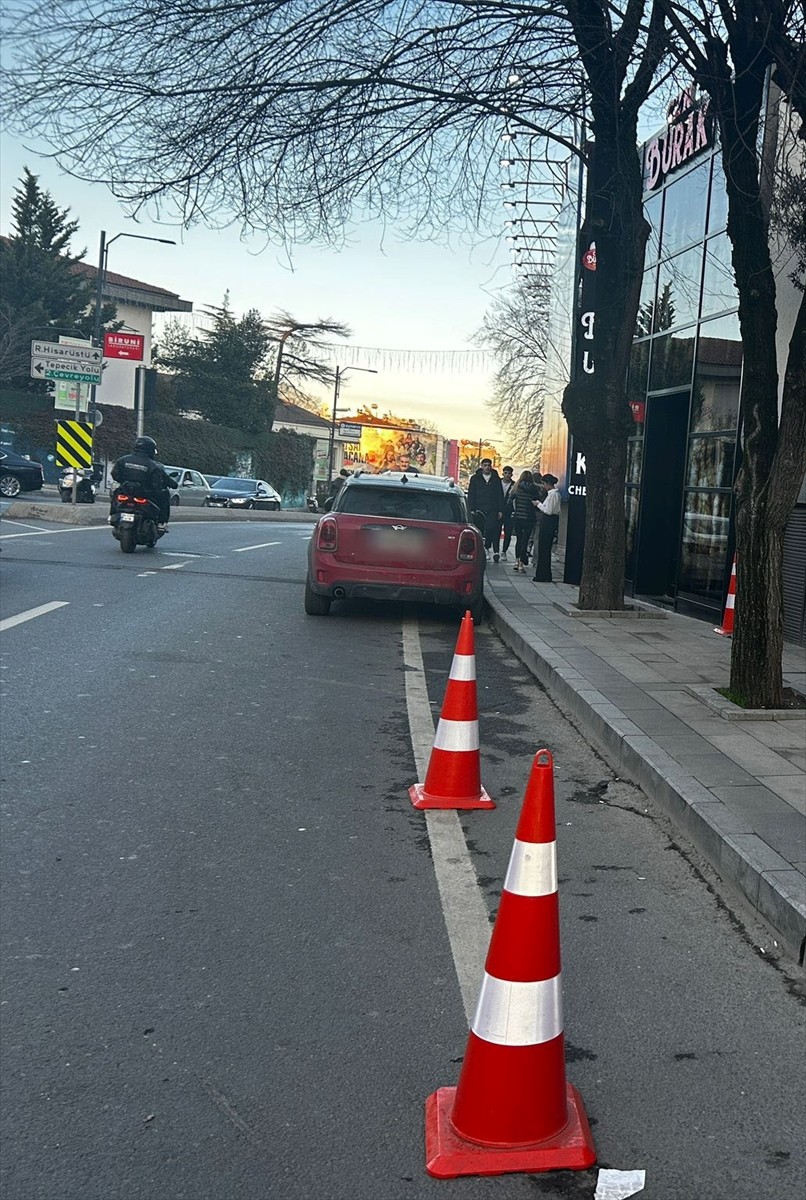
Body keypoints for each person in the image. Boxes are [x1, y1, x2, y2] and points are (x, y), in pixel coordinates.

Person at [110, 436, 175, 532]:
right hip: (145, 493)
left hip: (125, 490)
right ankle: (161, 522)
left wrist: (124, 481)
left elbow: (115, 474)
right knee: (164, 495)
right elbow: (156, 484)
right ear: (151, 450)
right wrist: (157, 491)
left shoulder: (123, 460)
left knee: (116, 494)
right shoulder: (153, 465)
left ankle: (111, 515)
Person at [467, 458, 505, 562]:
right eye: (485, 465)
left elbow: (500, 495)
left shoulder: (496, 479)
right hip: (479, 508)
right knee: (480, 529)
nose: (487, 467)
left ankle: (487, 547)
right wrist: (471, 508)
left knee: (490, 529)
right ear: (482, 466)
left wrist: (501, 510)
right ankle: (482, 549)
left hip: (493, 508)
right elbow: (471, 494)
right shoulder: (475, 478)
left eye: (489, 465)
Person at [510, 470, 542, 573]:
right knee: (525, 539)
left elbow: (509, 501)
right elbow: (538, 501)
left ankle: (517, 561)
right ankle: (521, 564)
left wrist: (513, 510)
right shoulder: (535, 490)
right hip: (529, 517)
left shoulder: (516, 488)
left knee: (519, 540)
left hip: (518, 517)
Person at [533, 473, 561, 582]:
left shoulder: (553, 495)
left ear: (548, 484)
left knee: (544, 548)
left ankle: (543, 574)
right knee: (544, 549)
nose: (543, 487)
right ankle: (543, 574)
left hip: (548, 521)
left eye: (544, 484)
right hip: (551, 521)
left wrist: (538, 504)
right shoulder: (554, 494)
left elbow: (548, 510)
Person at [500, 466, 516, 560]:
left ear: (511, 474)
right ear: (503, 473)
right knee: (496, 530)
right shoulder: (498, 483)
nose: (507, 475)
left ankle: (504, 551)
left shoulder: (514, 485)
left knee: (508, 532)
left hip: (509, 512)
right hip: (499, 510)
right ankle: (496, 549)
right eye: (505, 473)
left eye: (509, 473)